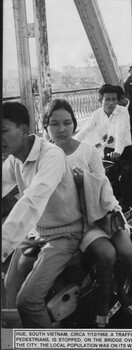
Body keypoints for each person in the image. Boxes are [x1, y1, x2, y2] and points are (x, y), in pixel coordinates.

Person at [43, 98, 132, 327]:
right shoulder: (44, 157)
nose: (62, 129)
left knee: (127, 253)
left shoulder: (87, 150)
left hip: (105, 212)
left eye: (67, 122)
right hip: (80, 220)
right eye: (54, 124)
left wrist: (83, 181)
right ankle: (103, 302)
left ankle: (120, 290)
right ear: (45, 126)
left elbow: (103, 183)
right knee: (106, 254)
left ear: (74, 123)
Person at [2, 102, 83, 328]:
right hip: (37, 232)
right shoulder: (14, 159)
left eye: (3, 131)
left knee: (27, 300)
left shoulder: (52, 155)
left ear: (25, 129)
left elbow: (33, 200)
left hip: (63, 234)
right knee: (9, 287)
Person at [74, 84, 132, 209]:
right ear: (100, 100)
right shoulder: (97, 114)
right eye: (107, 99)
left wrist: (118, 152)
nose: (111, 103)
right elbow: (85, 131)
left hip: (123, 150)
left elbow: (120, 133)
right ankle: (111, 209)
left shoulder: (122, 111)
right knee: (106, 179)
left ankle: (129, 208)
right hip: (107, 150)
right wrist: (71, 143)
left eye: (114, 99)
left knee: (126, 178)